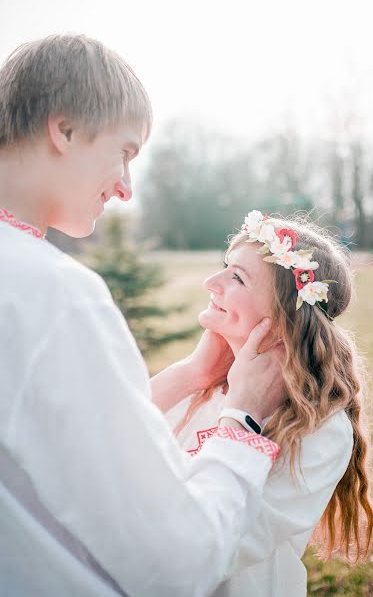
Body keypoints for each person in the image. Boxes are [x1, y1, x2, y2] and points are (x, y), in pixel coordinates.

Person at [0, 35, 286, 597]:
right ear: (64, 130)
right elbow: (178, 563)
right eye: (125, 152)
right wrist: (245, 420)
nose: (127, 189)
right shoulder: (53, 294)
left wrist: (190, 378)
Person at [154, 211, 373, 596]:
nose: (211, 282)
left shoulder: (318, 430)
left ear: (284, 320)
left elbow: (207, 550)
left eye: (236, 277)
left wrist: (242, 414)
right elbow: (106, 450)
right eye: (225, 266)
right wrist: (190, 374)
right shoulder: (200, 386)